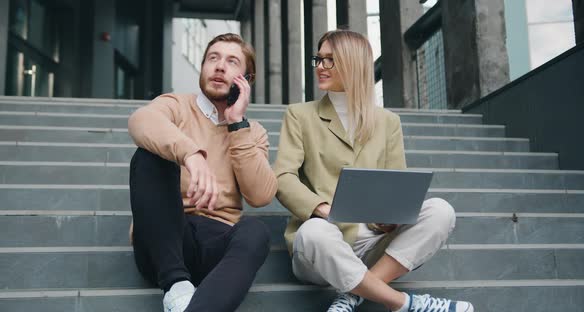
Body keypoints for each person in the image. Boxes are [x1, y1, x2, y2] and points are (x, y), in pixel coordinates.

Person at [274, 29, 474, 312]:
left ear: (353, 62)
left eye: (330, 59)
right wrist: (322, 208)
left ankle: (355, 294)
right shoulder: (299, 115)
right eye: (318, 59)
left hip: (373, 245)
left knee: (441, 211)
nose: (320, 66)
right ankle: (404, 303)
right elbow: (283, 177)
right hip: (321, 248)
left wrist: (390, 218)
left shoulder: (388, 122)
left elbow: (397, 187)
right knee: (314, 232)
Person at [127, 33, 277, 312]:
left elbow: (261, 195)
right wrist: (191, 154)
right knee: (148, 156)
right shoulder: (176, 105)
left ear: (247, 80)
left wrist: (237, 126)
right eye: (213, 58)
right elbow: (141, 120)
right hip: (164, 242)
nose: (219, 67)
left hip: (216, 247)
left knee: (256, 231)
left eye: (232, 62)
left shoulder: (252, 132)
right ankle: (176, 285)